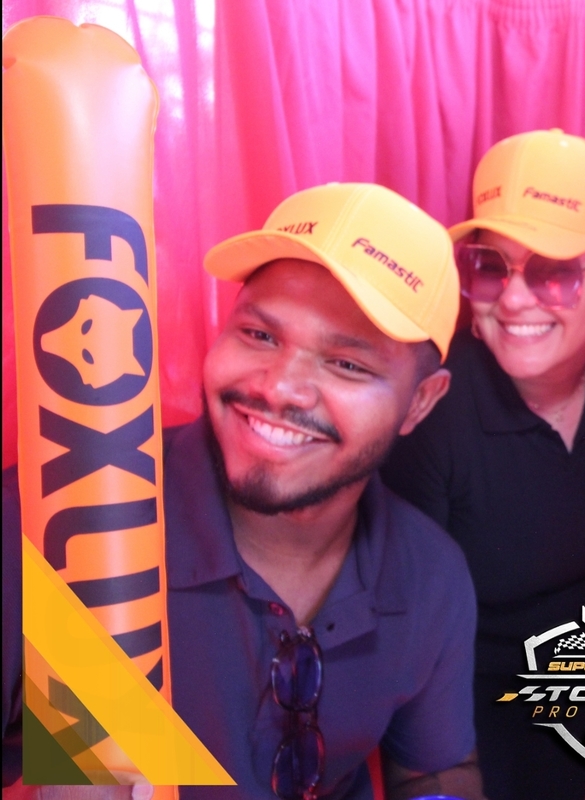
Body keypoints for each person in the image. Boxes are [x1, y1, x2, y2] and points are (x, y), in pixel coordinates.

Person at [2, 183, 486, 800]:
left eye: (347, 364)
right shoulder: (47, 522)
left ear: (419, 402)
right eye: (260, 335)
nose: (279, 387)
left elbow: (433, 772)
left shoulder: (430, 575)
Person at [380, 130, 585, 800]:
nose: (511, 299)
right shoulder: (435, 413)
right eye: (491, 266)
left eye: (554, 271)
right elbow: (409, 642)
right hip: (472, 713)